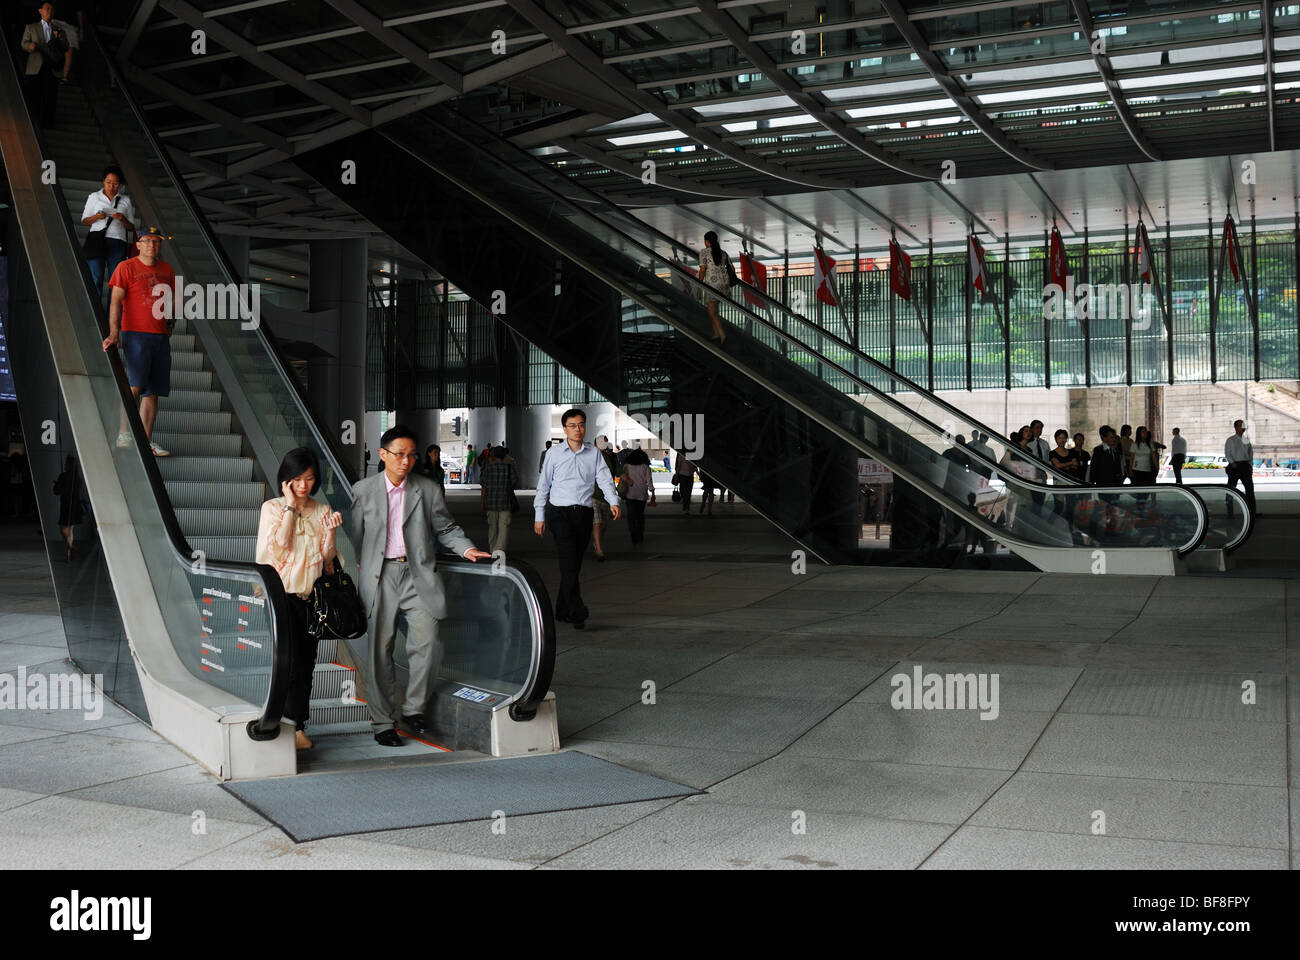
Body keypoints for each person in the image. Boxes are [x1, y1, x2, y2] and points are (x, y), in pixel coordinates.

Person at [351, 425, 491, 746]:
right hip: (380, 576)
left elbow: (446, 527)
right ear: (383, 455)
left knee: (428, 646)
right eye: (399, 454)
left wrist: (466, 548)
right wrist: (365, 565)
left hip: (418, 576)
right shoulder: (363, 490)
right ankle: (383, 722)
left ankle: (414, 709)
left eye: (411, 455)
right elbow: (356, 536)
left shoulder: (427, 489)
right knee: (379, 652)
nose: (406, 461)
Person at [255, 447, 342, 751]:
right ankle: (286, 723)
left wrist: (330, 535)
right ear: (286, 480)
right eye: (297, 479)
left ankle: (298, 725)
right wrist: (291, 507)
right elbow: (279, 547)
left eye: (309, 479)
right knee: (287, 663)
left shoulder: (322, 511)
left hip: (310, 599)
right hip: (278, 597)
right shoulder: (272, 508)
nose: (303, 485)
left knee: (306, 665)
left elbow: (330, 564)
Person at [534, 408, 620, 629]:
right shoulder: (553, 454)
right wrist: (539, 516)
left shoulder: (593, 453)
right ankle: (577, 611)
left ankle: (562, 609)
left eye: (581, 425)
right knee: (568, 561)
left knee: (573, 564)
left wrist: (613, 501)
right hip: (559, 514)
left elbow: (604, 479)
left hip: (583, 513)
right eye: (572, 425)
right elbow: (543, 486)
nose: (578, 429)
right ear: (564, 429)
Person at [101, 226, 175, 457]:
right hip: (135, 334)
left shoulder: (167, 269)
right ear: (138, 244)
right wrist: (114, 334)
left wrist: (170, 326)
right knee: (134, 385)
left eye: (156, 241)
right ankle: (123, 433)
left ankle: (146, 441)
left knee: (152, 392)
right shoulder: (126, 267)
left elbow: (171, 302)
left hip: (160, 337)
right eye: (147, 241)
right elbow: (115, 302)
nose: (152, 245)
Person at [81, 165, 135, 298]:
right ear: (103, 181)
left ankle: (112, 316)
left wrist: (122, 219)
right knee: (96, 278)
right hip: (97, 240)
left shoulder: (125, 200)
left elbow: (131, 227)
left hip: (117, 241)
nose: (111, 187)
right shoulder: (94, 197)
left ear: (120, 184)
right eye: (108, 183)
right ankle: (95, 315)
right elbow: (84, 221)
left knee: (115, 281)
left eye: (115, 184)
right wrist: (97, 217)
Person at [20, 3, 67, 128]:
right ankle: (33, 122)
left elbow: (65, 47)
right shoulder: (31, 27)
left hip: (52, 66)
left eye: (52, 9)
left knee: (50, 96)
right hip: (36, 66)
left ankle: (48, 123)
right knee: (34, 95)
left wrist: (58, 39)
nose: (50, 11)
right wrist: (29, 46)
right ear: (40, 11)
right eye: (47, 8)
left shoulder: (58, 30)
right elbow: (23, 43)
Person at [479, 445, 519, 556]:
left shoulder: (488, 468)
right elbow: (515, 482)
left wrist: (482, 502)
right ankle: (499, 550)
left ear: (494, 455)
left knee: (492, 527)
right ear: (504, 456)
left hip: (490, 502)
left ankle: (492, 550)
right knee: (503, 527)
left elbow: (483, 486)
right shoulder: (508, 468)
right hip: (505, 502)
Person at [590, 434, 621, 560]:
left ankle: (597, 543)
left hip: (606, 497)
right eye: (601, 442)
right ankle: (599, 549)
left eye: (605, 442)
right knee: (596, 522)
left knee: (603, 524)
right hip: (592, 495)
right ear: (595, 444)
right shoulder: (589, 456)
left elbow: (618, 472)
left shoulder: (611, 457)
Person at [698, 230, 732, 344]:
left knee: (711, 312)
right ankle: (716, 333)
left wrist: (699, 287)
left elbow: (702, 270)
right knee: (714, 309)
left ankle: (722, 335)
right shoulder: (723, 253)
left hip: (713, 286)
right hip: (725, 285)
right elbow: (732, 269)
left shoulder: (704, 252)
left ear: (707, 241)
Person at [53, 454, 85, 562]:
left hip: (67, 505)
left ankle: (71, 548)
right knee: (70, 530)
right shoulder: (77, 477)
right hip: (75, 505)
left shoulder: (63, 476)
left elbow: (57, 491)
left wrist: (57, 485)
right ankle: (69, 553)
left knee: (63, 529)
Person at [623, 448, 655, 547]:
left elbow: (623, 478)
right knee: (640, 516)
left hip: (630, 494)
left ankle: (633, 536)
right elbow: (649, 481)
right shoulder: (646, 467)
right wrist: (653, 493)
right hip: (642, 494)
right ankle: (640, 537)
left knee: (631, 516)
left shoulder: (626, 466)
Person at [1224, 419, 1255, 512]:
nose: (1243, 427)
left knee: (1250, 489)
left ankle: (1252, 511)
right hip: (1235, 466)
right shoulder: (1230, 440)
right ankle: (1230, 512)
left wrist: (1250, 466)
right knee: (1231, 490)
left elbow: (1250, 454)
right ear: (1236, 427)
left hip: (1245, 466)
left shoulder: (1246, 440)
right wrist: (1232, 462)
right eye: (1241, 425)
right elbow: (1227, 453)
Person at [1129, 426, 1162, 501]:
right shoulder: (1134, 444)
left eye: (1146, 431)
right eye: (1143, 432)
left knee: (1146, 490)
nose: (1145, 433)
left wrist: (1157, 467)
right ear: (1139, 433)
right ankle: (1139, 505)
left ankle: (1143, 504)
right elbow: (1132, 458)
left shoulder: (1150, 444)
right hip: (1137, 470)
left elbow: (1153, 456)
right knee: (1139, 490)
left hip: (1147, 470)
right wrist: (1130, 470)